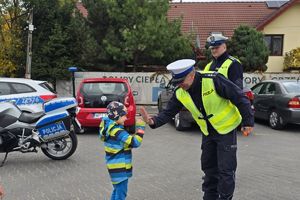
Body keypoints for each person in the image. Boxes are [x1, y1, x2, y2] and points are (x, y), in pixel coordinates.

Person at [140, 59, 254, 200]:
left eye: (182, 81)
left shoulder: (213, 80)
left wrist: (248, 121)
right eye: (177, 82)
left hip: (226, 129)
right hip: (208, 132)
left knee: (226, 170)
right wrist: (153, 121)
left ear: (192, 74)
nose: (180, 85)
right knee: (209, 168)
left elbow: (239, 97)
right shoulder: (180, 92)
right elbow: (168, 112)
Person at [99, 101, 146, 200]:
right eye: (124, 115)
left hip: (114, 167)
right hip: (120, 169)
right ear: (116, 116)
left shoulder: (109, 129)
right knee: (121, 195)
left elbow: (122, 145)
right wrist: (141, 128)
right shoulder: (118, 131)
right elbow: (135, 142)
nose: (126, 117)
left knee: (117, 191)